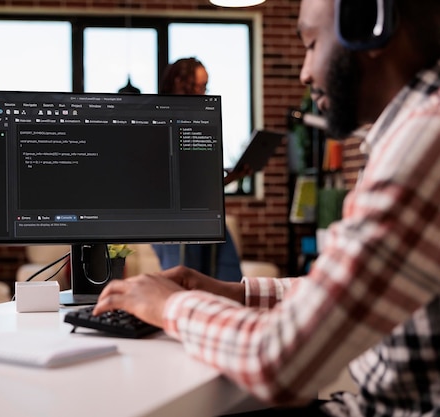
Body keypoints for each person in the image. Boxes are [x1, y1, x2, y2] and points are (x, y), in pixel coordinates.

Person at [95, 0, 440, 415]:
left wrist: (168, 306)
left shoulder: (423, 142)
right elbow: (343, 292)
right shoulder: (410, 136)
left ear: (370, 25)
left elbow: (279, 362)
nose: (305, 72)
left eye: (311, 44)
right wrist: (235, 294)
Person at [153, 57, 246, 282]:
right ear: (179, 82)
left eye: (206, 87)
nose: (204, 93)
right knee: (183, 280)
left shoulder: (201, 121)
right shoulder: (158, 118)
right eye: (199, 87)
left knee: (227, 275)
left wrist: (231, 177)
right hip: (172, 221)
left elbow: (200, 181)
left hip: (206, 214)